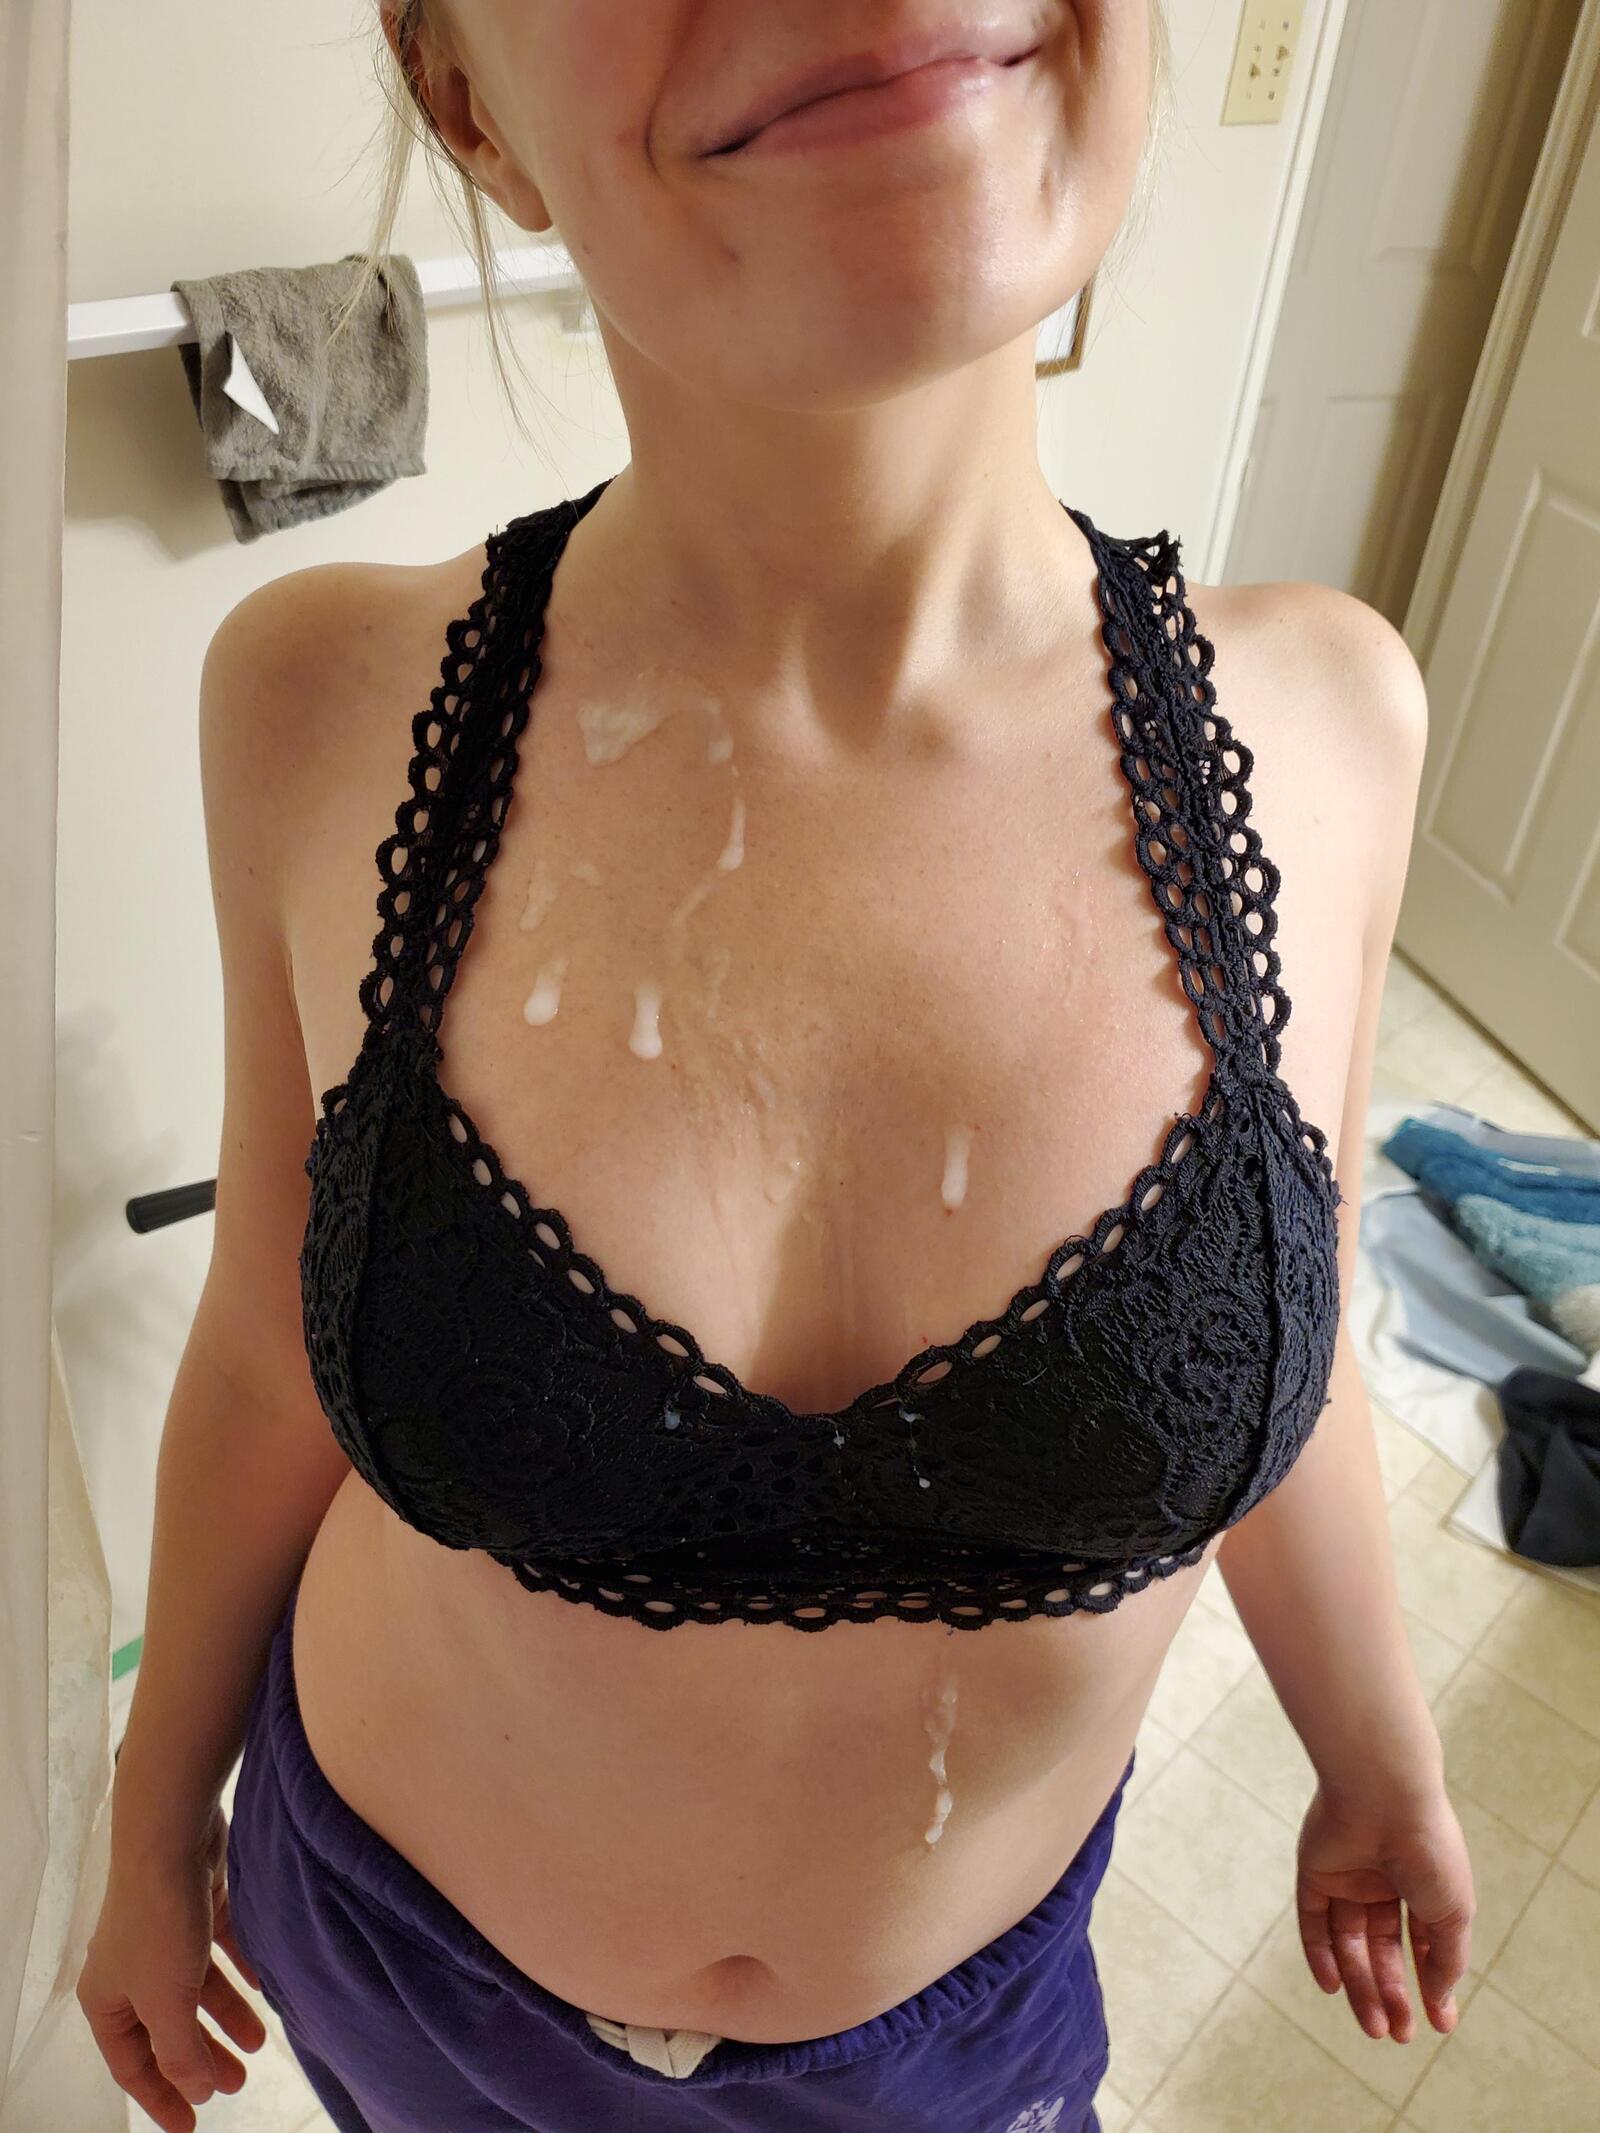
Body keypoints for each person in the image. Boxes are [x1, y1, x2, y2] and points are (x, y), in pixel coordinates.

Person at [77, 3, 1477, 2129]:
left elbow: (1293, 1340)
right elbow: (273, 1355)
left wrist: (1378, 1754)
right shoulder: (314, 704)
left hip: (949, 2054)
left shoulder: (1328, 730)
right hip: (401, 1969)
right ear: (465, 100)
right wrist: (149, 1807)